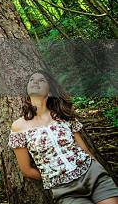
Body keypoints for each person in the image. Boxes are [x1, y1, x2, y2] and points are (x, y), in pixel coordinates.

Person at [8, 71, 118, 203]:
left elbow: (85, 150)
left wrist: (98, 168)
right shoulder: (18, 127)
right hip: (66, 191)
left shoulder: (63, 115)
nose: (35, 82)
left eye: (41, 80)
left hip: (93, 175)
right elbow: (26, 170)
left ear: (49, 92)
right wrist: (54, 179)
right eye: (32, 80)